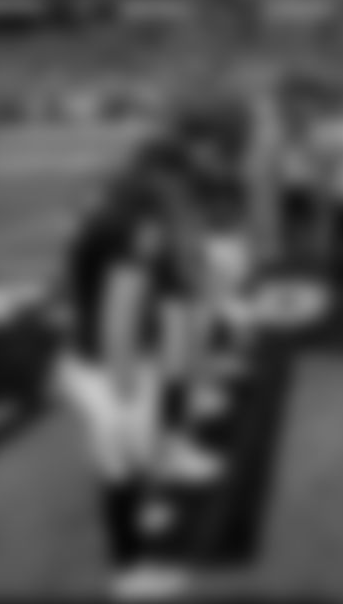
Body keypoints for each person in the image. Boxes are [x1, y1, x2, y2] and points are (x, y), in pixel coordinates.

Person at [57, 142, 223, 600]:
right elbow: (119, 314)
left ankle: (138, 518)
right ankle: (128, 573)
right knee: (120, 468)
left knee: (128, 461)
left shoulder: (107, 218)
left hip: (94, 362)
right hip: (109, 367)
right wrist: (126, 385)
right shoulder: (135, 231)